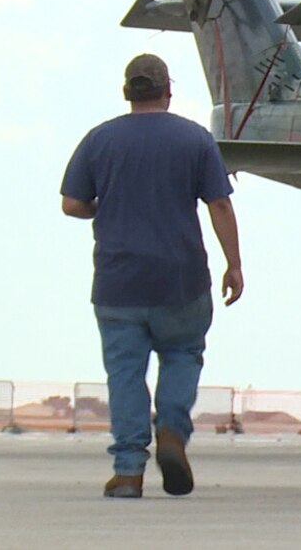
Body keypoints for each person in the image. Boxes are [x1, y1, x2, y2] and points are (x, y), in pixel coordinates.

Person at [60, 53, 243, 500]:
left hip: (118, 281)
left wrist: (103, 208)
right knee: (182, 355)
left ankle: (127, 472)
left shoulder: (99, 140)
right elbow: (219, 204)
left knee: (124, 372)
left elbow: (72, 203)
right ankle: (173, 434)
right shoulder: (195, 139)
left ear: (128, 92)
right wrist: (234, 264)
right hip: (181, 280)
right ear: (168, 91)